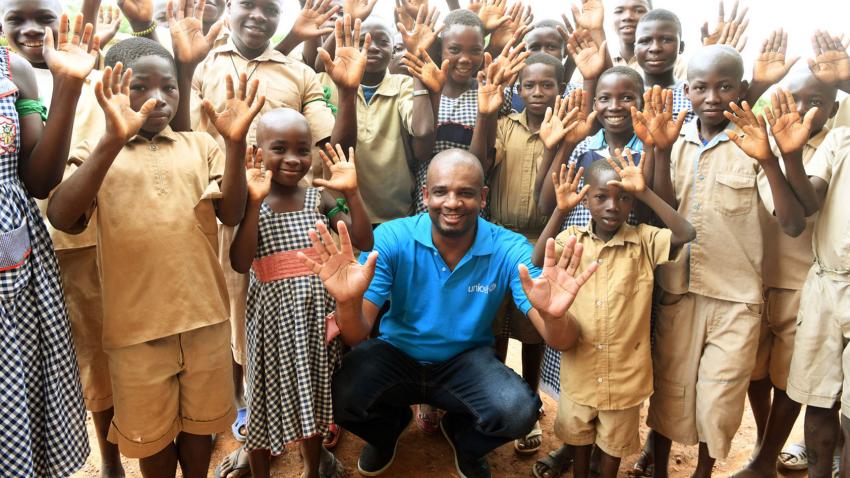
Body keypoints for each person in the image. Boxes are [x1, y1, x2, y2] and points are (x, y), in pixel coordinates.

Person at [299, 149, 599, 478]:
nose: (452, 203)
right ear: (425, 195)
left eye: (466, 193)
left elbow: (563, 341)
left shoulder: (508, 248)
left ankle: (463, 440)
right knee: (331, 394)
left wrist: (555, 315)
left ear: (483, 197)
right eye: (441, 191)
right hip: (396, 354)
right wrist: (346, 301)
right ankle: (387, 432)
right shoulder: (392, 237)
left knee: (519, 412)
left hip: (466, 361)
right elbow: (356, 335)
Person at [46, 36, 263, 478]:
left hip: (205, 319)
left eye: (169, 87)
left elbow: (232, 212)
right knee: (151, 434)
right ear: (111, 87)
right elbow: (63, 216)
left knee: (200, 428)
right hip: (135, 332)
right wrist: (111, 141)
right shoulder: (95, 155)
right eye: (140, 86)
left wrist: (235, 145)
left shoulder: (198, 146)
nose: (158, 98)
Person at [641, 45, 806, 478]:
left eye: (725, 86)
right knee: (669, 392)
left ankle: (702, 472)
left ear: (745, 89)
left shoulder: (753, 143)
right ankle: (659, 470)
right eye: (701, 87)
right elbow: (665, 209)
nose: (712, 97)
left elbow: (790, 224)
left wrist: (768, 159)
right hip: (679, 291)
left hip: (736, 299)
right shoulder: (674, 140)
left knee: (720, 400)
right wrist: (658, 151)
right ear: (686, 91)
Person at [1, 0, 122, 475]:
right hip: (53, 248)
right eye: (17, 20)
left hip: (33, 253)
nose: (31, 30)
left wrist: (69, 84)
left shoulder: (23, 75)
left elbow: (38, 181)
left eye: (43, 18)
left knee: (36, 373)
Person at [531, 149, 694, 478]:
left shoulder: (644, 241)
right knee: (578, 439)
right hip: (580, 370)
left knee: (613, 446)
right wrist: (561, 210)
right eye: (601, 197)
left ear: (631, 204)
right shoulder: (573, 240)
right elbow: (538, 258)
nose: (611, 206)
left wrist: (644, 190)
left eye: (622, 198)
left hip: (625, 378)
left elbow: (685, 234)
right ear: (586, 200)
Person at [227, 109, 372, 478]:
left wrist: (352, 195)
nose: (294, 160)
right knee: (262, 395)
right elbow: (241, 262)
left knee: (313, 394)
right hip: (271, 320)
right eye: (280, 148)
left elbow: (363, 240)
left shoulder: (318, 200)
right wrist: (254, 202)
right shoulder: (251, 201)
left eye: (302, 150)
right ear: (258, 151)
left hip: (312, 317)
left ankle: (311, 468)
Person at [724, 69, 838, 478]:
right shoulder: (760, 143)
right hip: (754, 278)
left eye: (817, 102)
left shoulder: (832, 151)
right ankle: (763, 441)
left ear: (836, 109)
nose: (803, 110)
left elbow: (796, 219)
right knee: (755, 370)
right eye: (793, 99)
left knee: (789, 377)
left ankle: (765, 456)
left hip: (802, 283)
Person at [470, 52, 566, 456]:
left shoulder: (564, 131)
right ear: (518, 89)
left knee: (531, 331)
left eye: (548, 85)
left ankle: (530, 405)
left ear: (560, 88)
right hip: (495, 240)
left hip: (541, 240)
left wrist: (558, 145)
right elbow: (478, 164)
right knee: (491, 326)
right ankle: (490, 403)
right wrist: (486, 115)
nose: (539, 92)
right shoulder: (504, 125)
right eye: (530, 85)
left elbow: (552, 203)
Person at [772, 30, 850, 478]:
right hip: (826, 284)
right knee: (819, 400)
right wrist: (792, 156)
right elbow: (811, 202)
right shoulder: (838, 143)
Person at [320, 15, 437, 225]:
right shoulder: (328, 81)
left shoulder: (404, 85)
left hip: (395, 214)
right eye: (364, 40)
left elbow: (423, 130)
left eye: (383, 42)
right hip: (343, 215)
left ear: (393, 50)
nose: (373, 47)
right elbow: (338, 151)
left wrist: (417, 61)